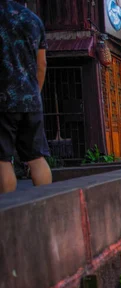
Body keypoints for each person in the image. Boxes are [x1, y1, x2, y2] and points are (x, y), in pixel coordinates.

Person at [0, 0, 52, 194]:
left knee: (2, 159)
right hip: (31, 99)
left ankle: (10, 213)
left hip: (3, 100)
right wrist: (34, 95)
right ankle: (49, 205)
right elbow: (42, 64)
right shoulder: (34, 19)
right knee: (36, 157)